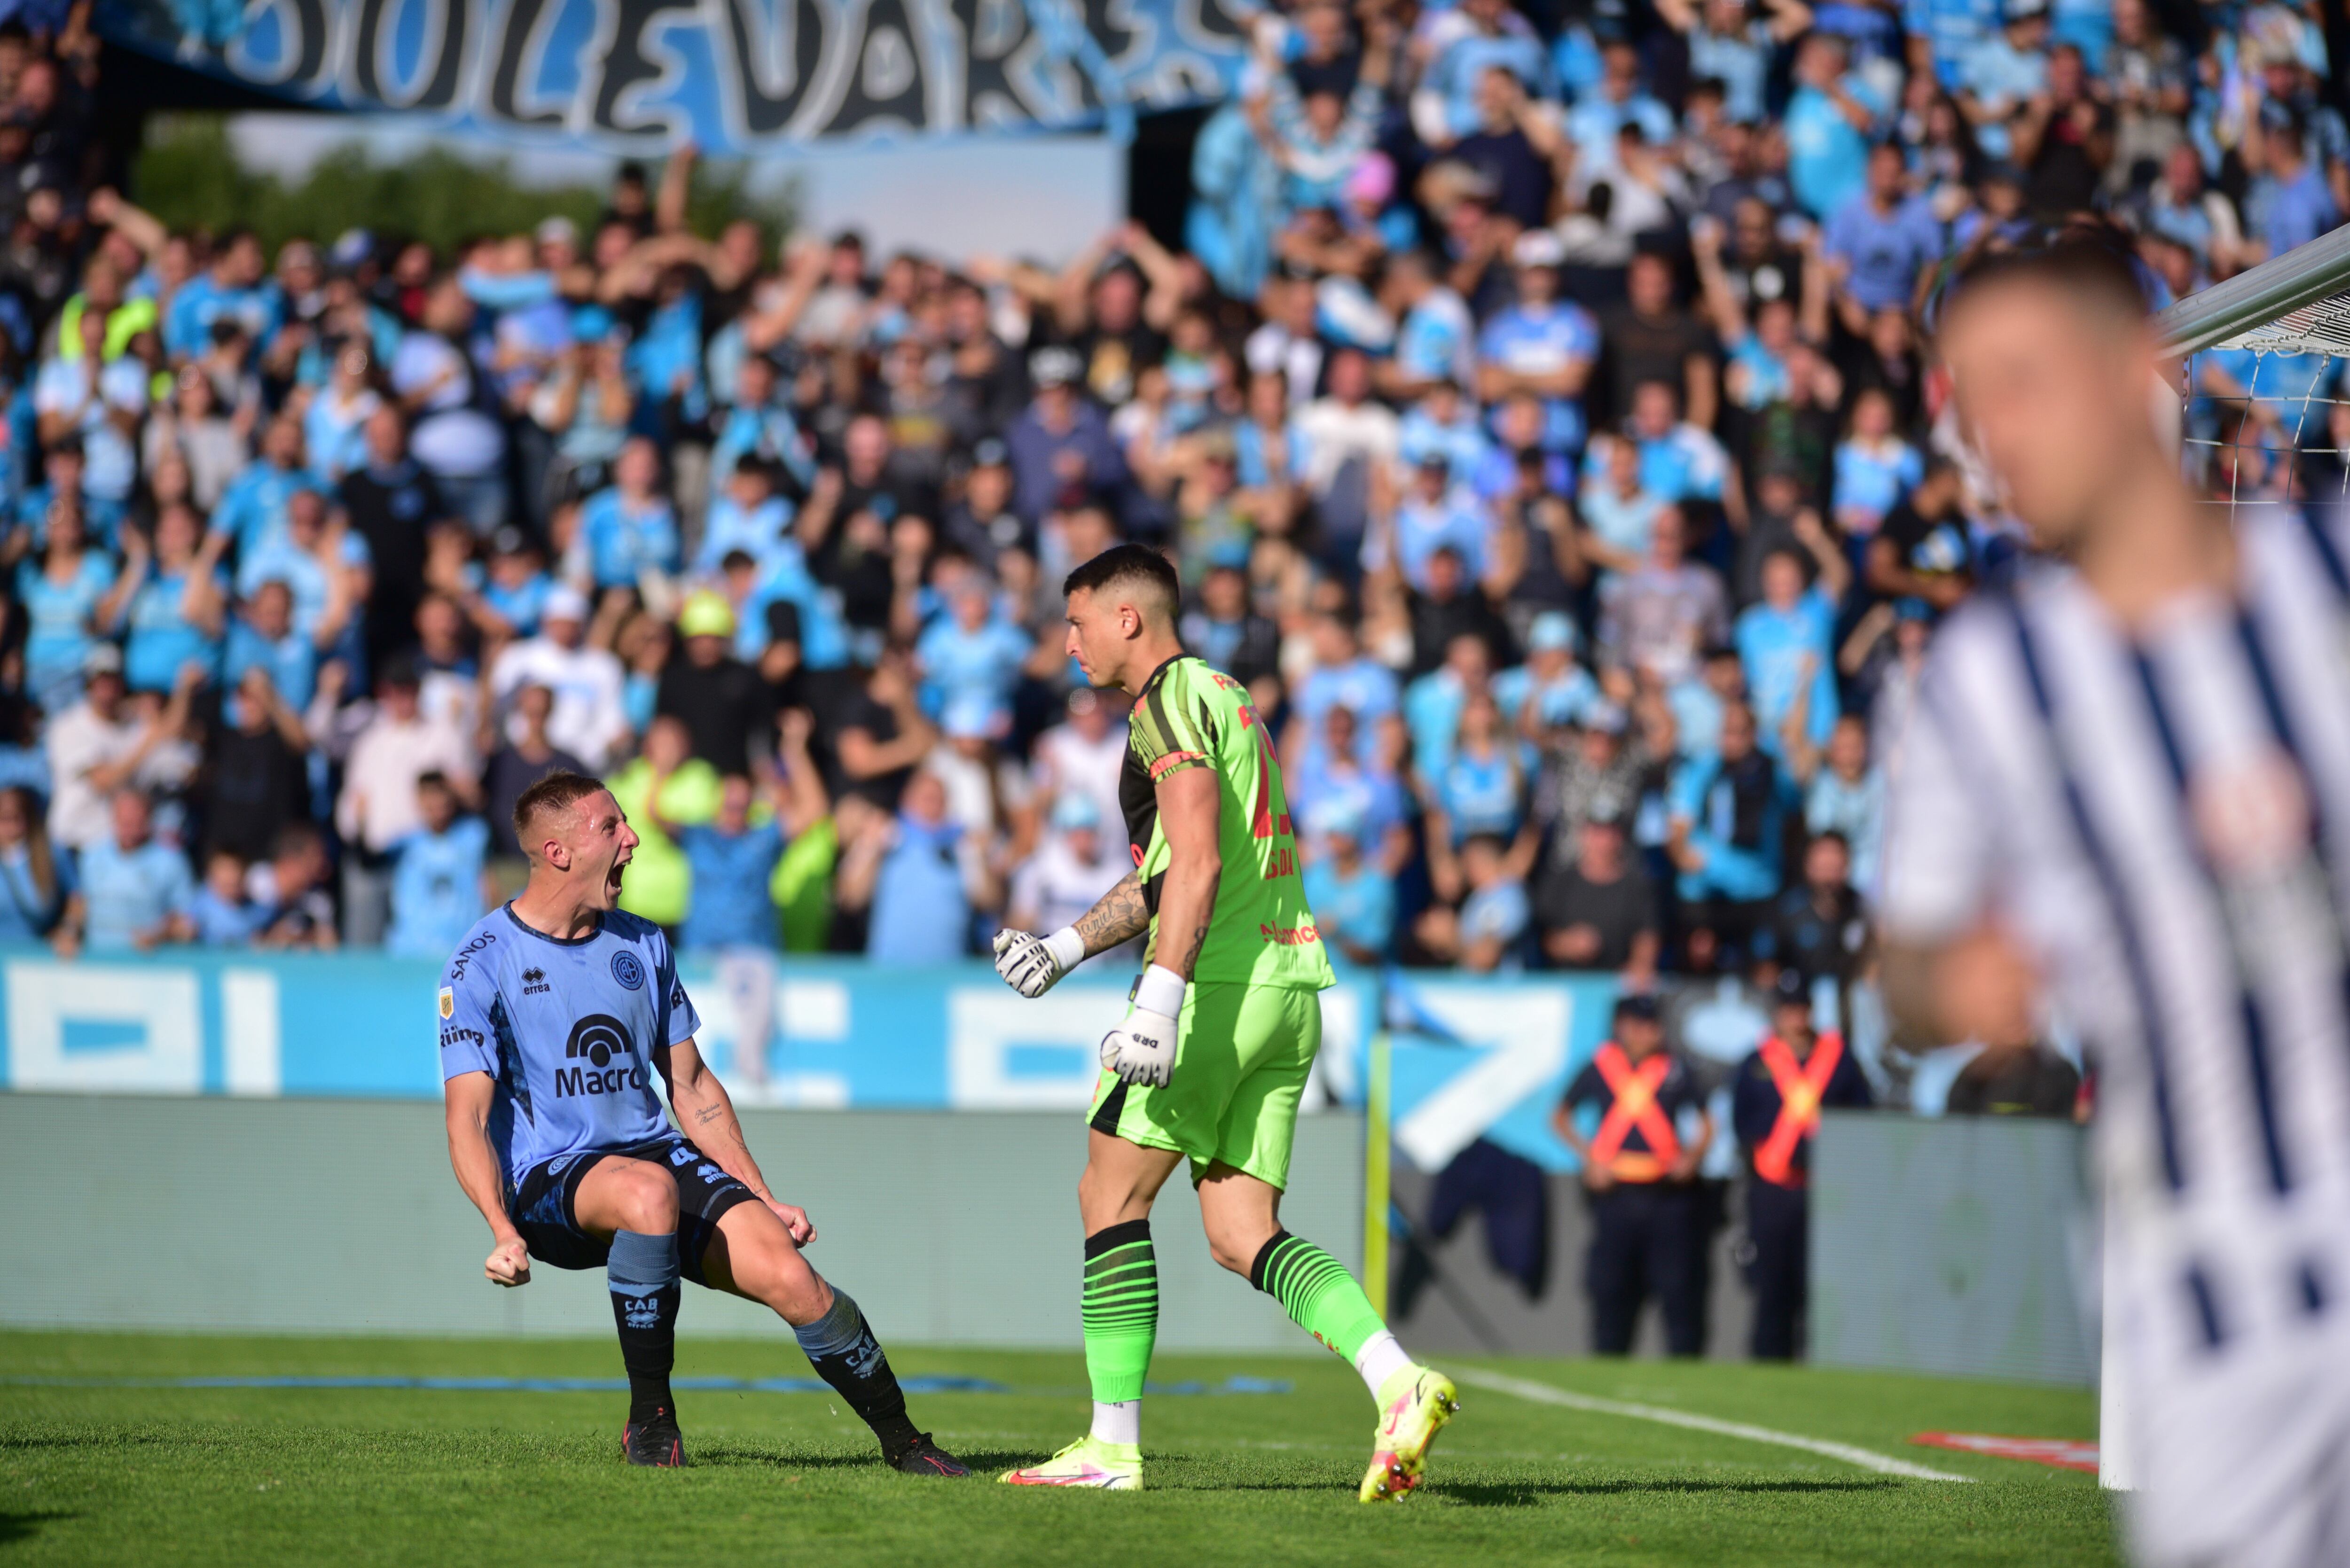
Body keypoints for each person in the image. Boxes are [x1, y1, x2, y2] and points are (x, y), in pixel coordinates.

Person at [1879, 231, 2350, 1565]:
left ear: (2140, 375)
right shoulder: (1987, 681)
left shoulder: (2329, 590)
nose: (1992, 435)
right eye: (1971, 400)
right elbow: (1906, 970)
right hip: (2218, 1310)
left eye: (2024, 382)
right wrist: (1956, 982)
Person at [987, 544, 1455, 1499]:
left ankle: (1110, 1449)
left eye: (1077, 622)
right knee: (1243, 1231)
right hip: (1288, 988)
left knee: (1107, 1197)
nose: (1066, 642)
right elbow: (1172, 866)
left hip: (1215, 990)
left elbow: (1193, 869)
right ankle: (1399, 1381)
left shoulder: (1163, 701)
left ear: (1128, 618)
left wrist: (1158, 1003)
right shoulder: (1224, 696)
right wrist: (1068, 948)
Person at [437, 769, 968, 1475]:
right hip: (548, 1182)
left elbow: (690, 1087)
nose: (632, 839)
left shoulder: (644, 944)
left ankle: (907, 1444)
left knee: (794, 1278)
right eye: (611, 829)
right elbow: (467, 1120)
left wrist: (762, 1195)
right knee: (647, 1193)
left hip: (650, 1155)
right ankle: (651, 1422)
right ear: (559, 852)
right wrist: (502, 1232)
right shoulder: (481, 961)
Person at [1552, 993, 1711, 1355]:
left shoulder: (1676, 1069)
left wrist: (1692, 1157)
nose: (1646, 1033)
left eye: (1653, 1025)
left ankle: (1684, 1364)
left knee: (1677, 1286)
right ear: (1621, 1027)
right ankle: (1607, 1359)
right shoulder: (1601, 1067)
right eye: (1638, 1025)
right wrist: (1591, 1157)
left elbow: (1707, 1121)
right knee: (1610, 1286)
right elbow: (1560, 1116)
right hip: (1616, 1193)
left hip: (1666, 1194)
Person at [1732, 967, 1871, 1359]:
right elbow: (1742, 1124)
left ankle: (1823, 1363)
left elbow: (1862, 1117)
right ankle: (1768, 1363)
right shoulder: (1756, 1063)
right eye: (1788, 1008)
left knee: (1822, 1287)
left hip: (1825, 1190)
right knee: (1771, 1287)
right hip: (1773, 1190)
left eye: (1802, 1007)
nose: (1796, 1016)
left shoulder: (1839, 1060)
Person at [386, 771, 493, 958]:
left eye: (441, 801)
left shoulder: (474, 835)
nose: (437, 810)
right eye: (430, 803)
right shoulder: (404, 844)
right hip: (412, 950)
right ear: (419, 801)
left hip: (463, 948)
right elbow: (366, 855)